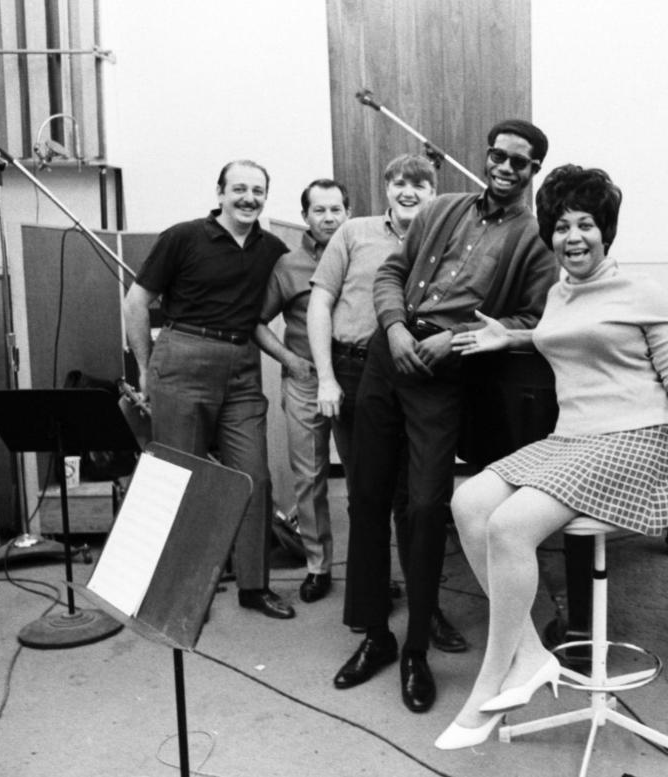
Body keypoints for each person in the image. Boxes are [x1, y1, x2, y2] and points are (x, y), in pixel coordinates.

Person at [435, 165, 668, 749]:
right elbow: (563, 335)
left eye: (585, 223)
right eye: (561, 226)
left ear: (605, 230)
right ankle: (531, 656)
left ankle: (492, 679)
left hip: (639, 439)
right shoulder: (560, 292)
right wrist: (510, 338)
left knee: (509, 527)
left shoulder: (643, 293)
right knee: (468, 503)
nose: (573, 236)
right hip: (572, 440)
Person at [331, 120, 557, 715]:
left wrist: (452, 340)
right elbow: (390, 273)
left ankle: (415, 653)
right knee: (369, 495)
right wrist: (396, 327)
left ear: (533, 172)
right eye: (499, 156)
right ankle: (377, 636)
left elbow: (534, 323)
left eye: (521, 163)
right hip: (391, 354)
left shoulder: (535, 240)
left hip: (444, 376)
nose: (506, 168)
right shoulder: (444, 208)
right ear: (487, 157)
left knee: (428, 506)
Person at [123, 159, 295, 620]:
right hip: (182, 358)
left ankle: (254, 586)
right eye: (239, 189)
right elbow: (136, 302)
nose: (249, 198)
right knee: (181, 480)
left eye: (258, 191)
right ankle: (178, 592)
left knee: (254, 478)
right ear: (219, 192)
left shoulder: (273, 248)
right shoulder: (182, 237)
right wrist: (144, 367)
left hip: (242, 367)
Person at [307, 154, 467, 647]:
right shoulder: (353, 232)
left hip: (420, 377)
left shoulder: (448, 239)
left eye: (420, 184)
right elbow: (320, 302)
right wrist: (327, 379)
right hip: (357, 374)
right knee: (366, 498)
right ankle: (371, 611)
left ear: (434, 192)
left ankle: (427, 609)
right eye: (399, 182)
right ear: (384, 188)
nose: (409, 191)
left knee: (418, 502)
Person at [255, 179, 350, 603]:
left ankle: (371, 566)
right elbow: (256, 322)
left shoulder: (362, 255)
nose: (329, 218)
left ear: (347, 212)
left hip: (356, 380)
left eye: (336, 210)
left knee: (367, 480)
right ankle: (318, 566)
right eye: (320, 211)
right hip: (306, 381)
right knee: (309, 478)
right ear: (305, 217)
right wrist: (289, 362)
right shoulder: (287, 265)